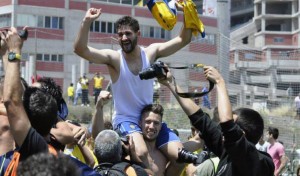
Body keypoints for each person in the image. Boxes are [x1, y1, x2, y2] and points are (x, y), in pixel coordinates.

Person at [74, 7, 193, 175]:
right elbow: (80, 50)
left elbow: (183, 39)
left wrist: (187, 11)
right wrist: (87, 21)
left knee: (183, 158)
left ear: (138, 34)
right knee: (142, 152)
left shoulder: (150, 53)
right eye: (120, 34)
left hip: (148, 118)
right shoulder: (114, 58)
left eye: (128, 33)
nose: (124, 38)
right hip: (125, 120)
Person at [158, 65, 275, 176]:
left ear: (241, 135)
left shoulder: (259, 162)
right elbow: (200, 119)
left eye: (229, 128)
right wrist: (171, 83)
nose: (222, 130)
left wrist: (219, 81)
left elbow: (227, 122)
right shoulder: (227, 152)